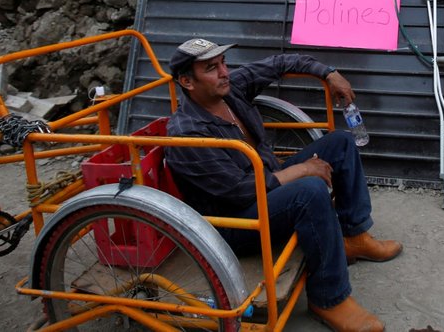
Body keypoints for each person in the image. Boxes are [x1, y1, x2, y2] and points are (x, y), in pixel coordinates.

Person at [163, 37, 401, 332]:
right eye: (211, 68)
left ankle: (354, 236)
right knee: (309, 192)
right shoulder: (186, 133)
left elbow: (280, 62)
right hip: (233, 223)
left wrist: (329, 72)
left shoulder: (229, 89)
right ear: (187, 81)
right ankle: (329, 298)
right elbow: (240, 191)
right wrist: (302, 170)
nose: (224, 72)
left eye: (223, 63)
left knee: (340, 143)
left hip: (265, 185)